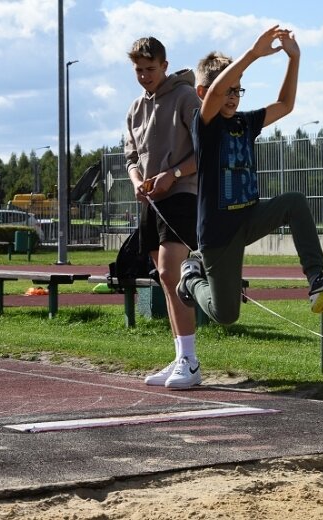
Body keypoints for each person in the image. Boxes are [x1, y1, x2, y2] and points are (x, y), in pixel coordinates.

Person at [176, 26, 323, 327]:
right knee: (226, 315)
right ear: (202, 93)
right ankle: (192, 278)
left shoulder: (246, 123)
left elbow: (285, 105)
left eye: (238, 90)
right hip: (219, 233)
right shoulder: (204, 124)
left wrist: (294, 59)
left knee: (294, 203)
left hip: (249, 217)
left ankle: (316, 278)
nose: (232, 97)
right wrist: (253, 54)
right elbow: (217, 91)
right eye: (227, 89)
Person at [124, 36, 202, 390]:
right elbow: (130, 158)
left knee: (174, 275)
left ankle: (191, 361)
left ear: (165, 66)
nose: (144, 76)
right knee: (165, 280)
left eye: (150, 69)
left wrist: (173, 174)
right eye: (138, 70)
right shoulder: (135, 108)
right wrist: (138, 180)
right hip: (150, 202)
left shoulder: (186, 98)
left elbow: (206, 151)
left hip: (183, 195)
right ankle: (179, 356)